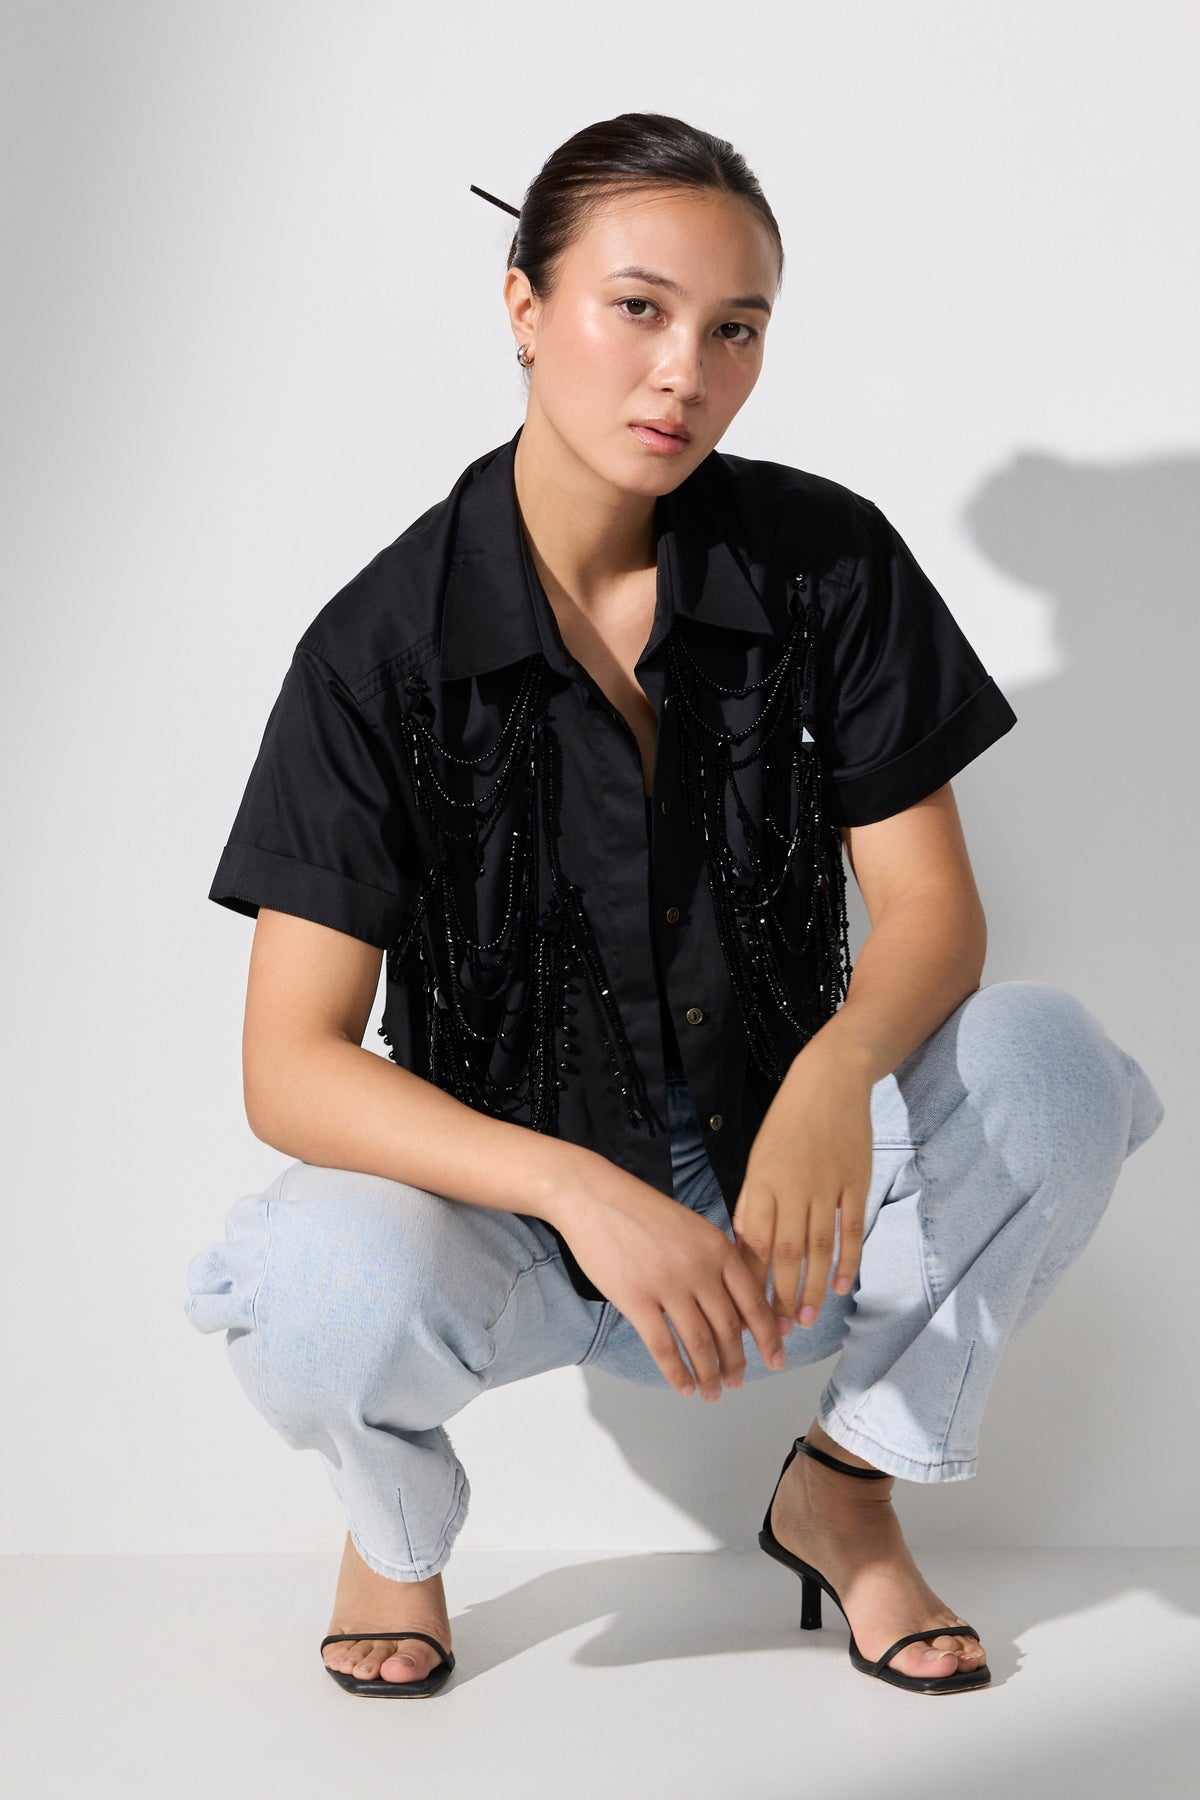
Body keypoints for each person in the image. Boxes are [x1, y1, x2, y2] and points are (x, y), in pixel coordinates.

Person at [183, 111, 1165, 1699]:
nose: (683, 373)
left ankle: (847, 1492)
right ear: (524, 304)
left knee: (1049, 1064)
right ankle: (393, 1531)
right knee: (310, 1281)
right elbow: (288, 1067)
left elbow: (932, 909)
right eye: (637, 308)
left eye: (735, 329)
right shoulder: (376, 649)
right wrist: (574, 1187)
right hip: (511, 1237)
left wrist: (838, 1078)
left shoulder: (826, 564)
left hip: (793, 1209)